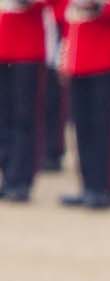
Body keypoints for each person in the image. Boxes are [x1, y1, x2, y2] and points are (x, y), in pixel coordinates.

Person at [57, 0, 110, 208]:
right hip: (78, 60)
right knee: (82, 127)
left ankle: (105, 186)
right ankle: (88, 184)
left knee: (103, 126)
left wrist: (99, 6)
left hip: (104, 58)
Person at [0, 0, 43, 201]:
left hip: (26, 49)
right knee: (3, 117)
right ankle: (8, 176)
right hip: (3, 46)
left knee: (23, 117)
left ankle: (20, 179)